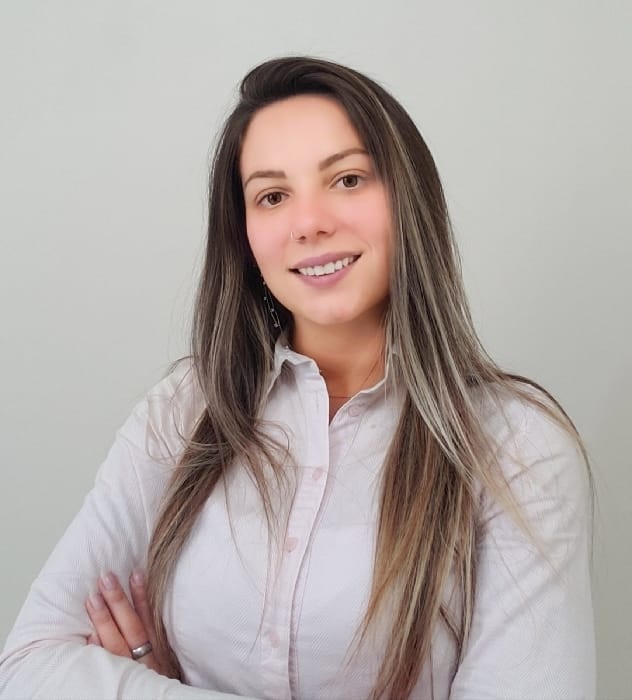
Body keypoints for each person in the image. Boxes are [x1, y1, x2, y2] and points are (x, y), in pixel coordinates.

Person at [0, 56, 595, 700]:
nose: (309, 223)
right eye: (272, 196)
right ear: (245, 234)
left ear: (408, 199)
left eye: (347, 179)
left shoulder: (517, 450)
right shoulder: (186, 409)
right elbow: (28, 666)